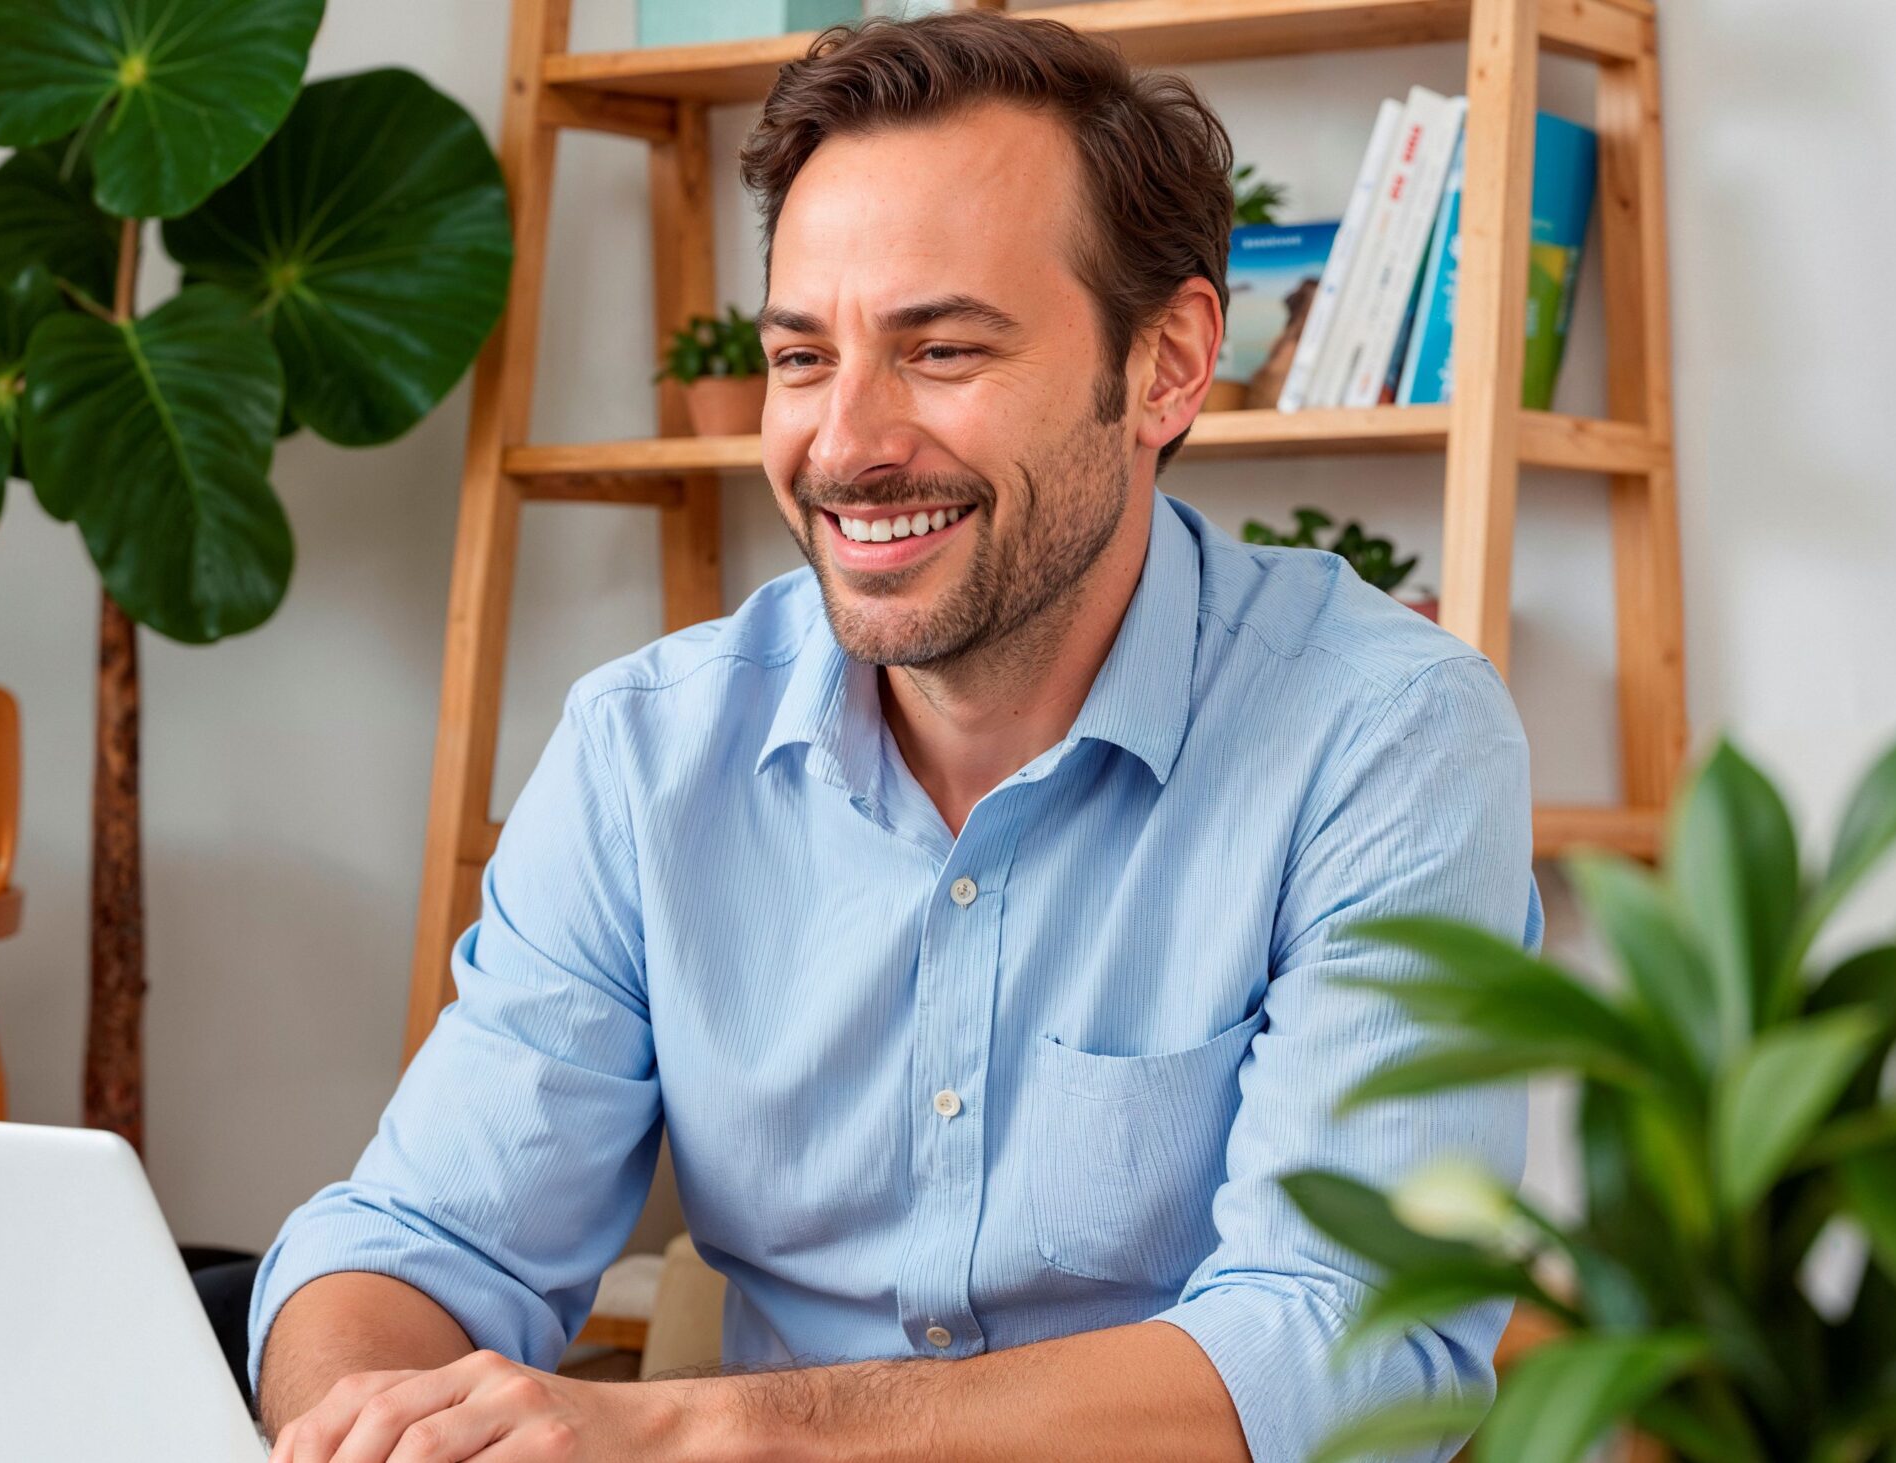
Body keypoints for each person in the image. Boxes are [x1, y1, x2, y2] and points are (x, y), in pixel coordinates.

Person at [252, 11, 1538, 1460]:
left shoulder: (1384, 739)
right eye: (802, 358)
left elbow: (1344, 1344)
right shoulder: (645, 753)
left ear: (1168, 366)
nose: (847, 441)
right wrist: (359, 1421)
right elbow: (421, 1241)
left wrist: (706, 1434)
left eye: (940, 349)